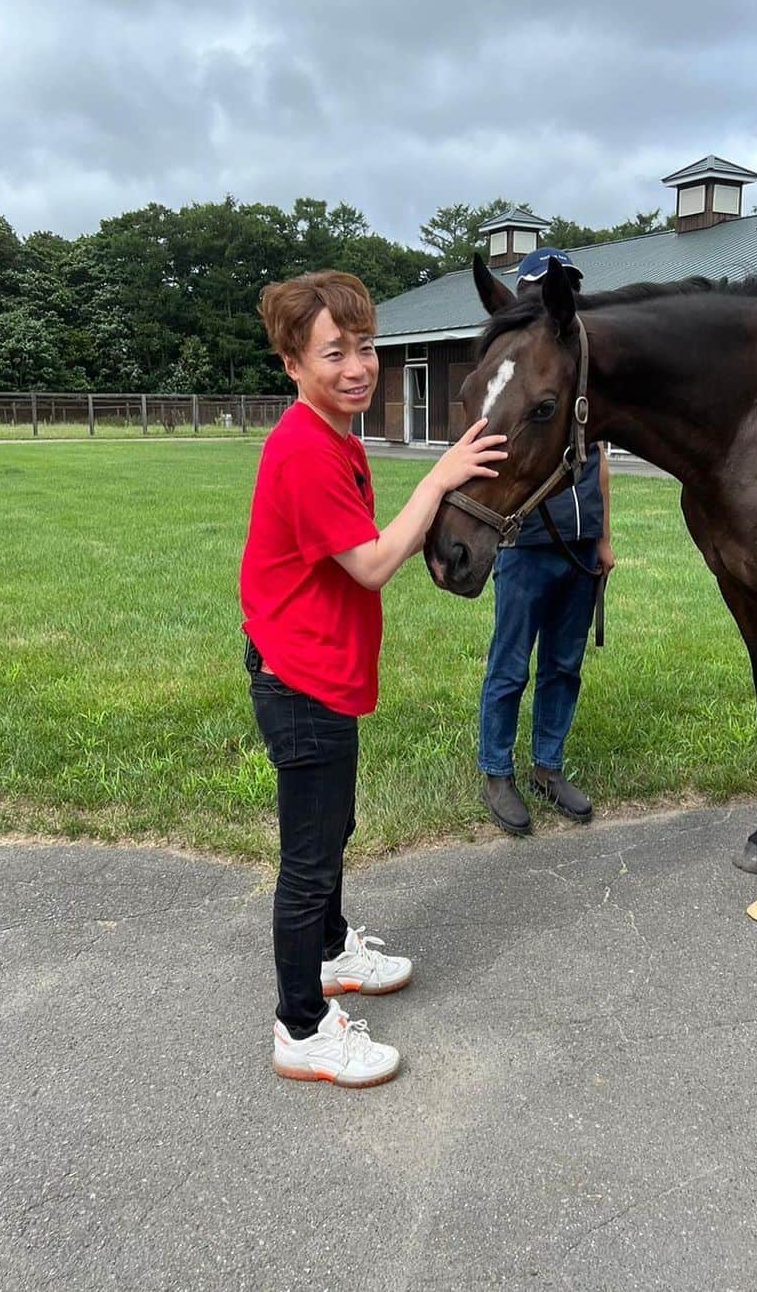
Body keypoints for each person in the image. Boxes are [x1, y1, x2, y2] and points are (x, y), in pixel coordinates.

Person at [241, 270, 506, 1088]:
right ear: (291, 362)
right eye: (334, 353)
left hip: (318, 671)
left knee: (334, 830)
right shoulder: (304, 449)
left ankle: (329, 953)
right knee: (309, 861)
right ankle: (302, 1027)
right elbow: (372, 564)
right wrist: (439, 476)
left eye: (366, 348)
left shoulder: (338, 436)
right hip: (300, 680)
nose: (358, 366)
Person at [479, 246, 616, 835]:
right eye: (541, 289)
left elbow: (600, 461)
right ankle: (497, 771)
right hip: (527, 545)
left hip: (579, 546)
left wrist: (604, 538)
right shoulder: (522, 374)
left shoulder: (579, 373)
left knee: (565, 663)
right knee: (510, 665)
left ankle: (548, 766)